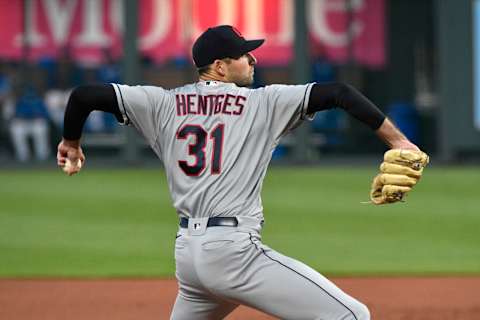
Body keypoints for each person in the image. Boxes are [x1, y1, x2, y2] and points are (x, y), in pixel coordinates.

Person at [57, 25, 420, 320]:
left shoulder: (161, 102)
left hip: (189, 258)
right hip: (232, 253)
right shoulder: (264, 102)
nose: (253, 58)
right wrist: (399, 142)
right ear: (220, 66)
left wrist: (71, 143)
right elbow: (340, 92)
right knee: (352, 316)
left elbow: (86, 95)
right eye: (244, 54)